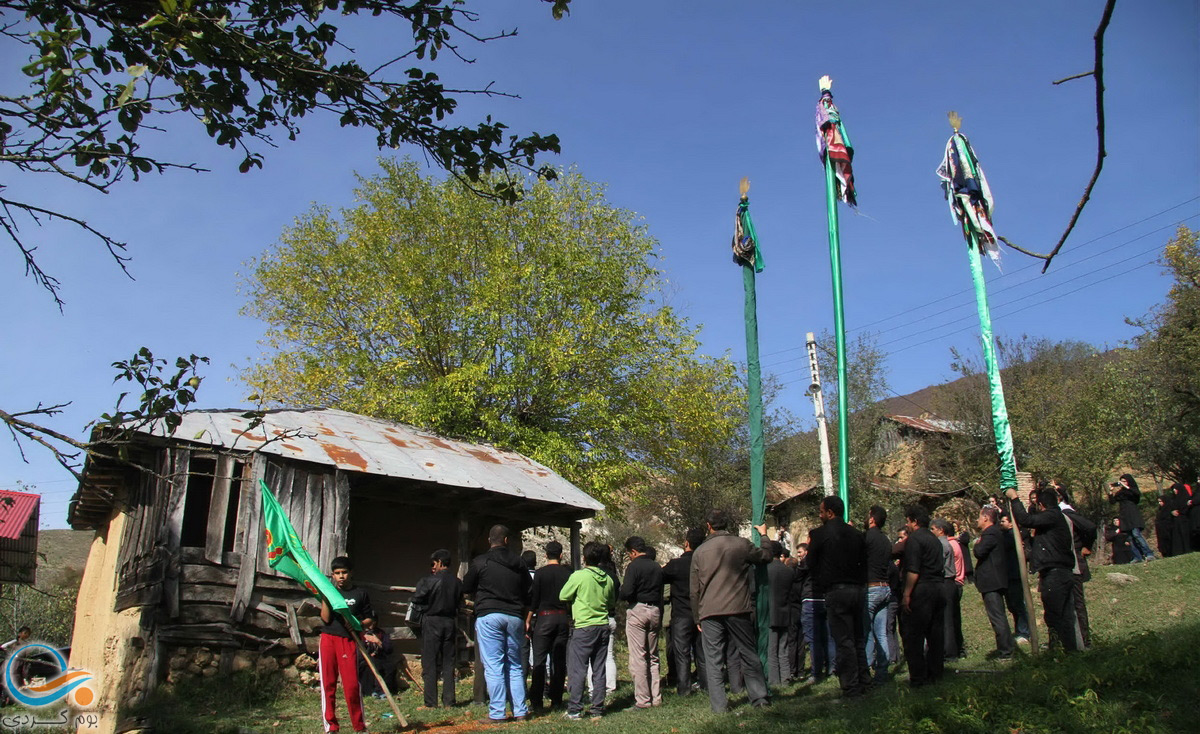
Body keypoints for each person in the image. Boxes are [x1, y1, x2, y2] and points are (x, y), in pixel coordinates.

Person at [689, 509, 772, 713]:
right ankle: (760, 698)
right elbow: (766, 556)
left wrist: (697, 617)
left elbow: (694, 590)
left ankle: (719, 706)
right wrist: (764, 535)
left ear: (708, 526)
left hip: (709, 610)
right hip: (738, 607)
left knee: (714, 660)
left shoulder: (699, 552)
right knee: (748, 653)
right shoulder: (741, 544)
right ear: (728, 524)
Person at [462, 525, 532, 724]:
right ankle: (520, 711)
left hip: (489, 615)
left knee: (494, 665)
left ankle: (497, 712)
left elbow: (466, 586)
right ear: (507, 540)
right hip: (514, 617)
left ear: (489, 541)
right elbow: (529, 591)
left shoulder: (481, 561)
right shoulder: (519, 563)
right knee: (515, 665)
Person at [807, 496, 870, 698]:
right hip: (857, 590)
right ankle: (864, 680)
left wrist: (821, 581)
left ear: (830, 513)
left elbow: (811, 564)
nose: (819, 515)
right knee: (859, 637)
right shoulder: (857, 534)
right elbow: (864, 563)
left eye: (821, 511)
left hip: (836, 591)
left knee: (843, 640)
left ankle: (851, 686)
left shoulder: (819, 534)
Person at [1005, 486, 1079, 652]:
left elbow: (1026, 520)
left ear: (1041, 505)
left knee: (1055, 616)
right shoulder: (1054, 518)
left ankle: (1059, 650)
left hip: (1056, 574)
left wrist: (1014, 498)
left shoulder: (1052, 516)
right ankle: (1068, 651)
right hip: (1060, 573)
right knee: (1064, 616)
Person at [319, 556, 379, 734]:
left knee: (351, 685)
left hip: (348, 641)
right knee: (328, 684)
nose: (341, 576)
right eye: (337, 573)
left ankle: (359, 727)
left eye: (344, 572)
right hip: (329, 638)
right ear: (333, 575)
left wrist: (358, 625)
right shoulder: (330, 592)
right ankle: (331, 727)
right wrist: (325, 597)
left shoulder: (360, 594)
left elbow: (371, 620)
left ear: (351, 573)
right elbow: (326, 618)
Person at [560, 541, 618, 720]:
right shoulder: (608, 578)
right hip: (602, 626)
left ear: (584, 558)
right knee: (599, 668)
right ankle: (597, 708)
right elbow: (610, 603)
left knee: (578, 669)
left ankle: (575, 708)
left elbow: (563, 595)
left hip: (584, 626)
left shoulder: (579, 576)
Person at [900, 505, 946, 688]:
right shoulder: (934, 540)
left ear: (914, 521)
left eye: (908, 521)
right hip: (938, 587)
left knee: (913, 636)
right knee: (935, 634)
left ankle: (918, 677)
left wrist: (906, 594)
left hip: (922, 589)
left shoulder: (914, 540)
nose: (906, 524)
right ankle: (936, 673)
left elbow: (913, 570)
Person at [410, 549, 462, 709]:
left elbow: (416, 598)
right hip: (450, 622)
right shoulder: (457, 582)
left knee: (430, 662)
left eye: (433, 563)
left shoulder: (428, 581)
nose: (432, 567)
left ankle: (431, 702)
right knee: (449, 662)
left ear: (439, 562)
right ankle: (449, 701)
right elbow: (460, 604)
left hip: (432, 621)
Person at [527, 540, 572, 712]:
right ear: (561, 555)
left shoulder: (540, 574)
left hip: (544, 618)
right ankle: (557, 700)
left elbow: (534, 599)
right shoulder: (568, 574)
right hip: (561, 618)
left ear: (545, 555)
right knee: (558, 661)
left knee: (539, 661)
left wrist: (528, 618)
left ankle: (536, 701)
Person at [661, 526, 706, 695]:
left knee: (682, 653)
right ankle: (706, 685)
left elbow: (660, 575)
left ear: (686, 543)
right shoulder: (704, 564)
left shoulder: (676, 564)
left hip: (681, 613)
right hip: (702, 612)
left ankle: (684, 687)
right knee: (702, 652)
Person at [621, 535, 664, 709]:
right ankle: (656, 696)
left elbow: (627, 591)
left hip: (638, 609)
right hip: (655, 610)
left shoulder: (634, 566)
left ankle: (643, 699)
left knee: (638, 656)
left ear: (633, 551)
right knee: (653, 656)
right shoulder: (656, 566)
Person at [1058, 487, 1097, 649]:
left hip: (1074, 564)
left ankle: (1084, 640)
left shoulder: (1066, 513)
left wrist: (1086, 546)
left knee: (1077, 603)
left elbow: (1090, 527)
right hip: (1061, 566)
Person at [973, 506, 1014, 659]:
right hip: (995, 580)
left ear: (986, 518)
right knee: (998, 615)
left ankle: (1005, 650)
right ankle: (1006, 646)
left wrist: (977, 544)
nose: (977, 520)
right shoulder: (996, 533)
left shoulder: (990, 533)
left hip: (992, 581)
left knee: (997, 616)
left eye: (979, 517)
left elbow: (979, 552)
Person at [796, 540, 834, 684]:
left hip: (811, 599)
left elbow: (798, 575)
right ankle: (831, 667)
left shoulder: (809, 561)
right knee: (828, 637)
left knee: (813, 639)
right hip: (825, 599)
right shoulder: (827, 559)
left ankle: (816, 672)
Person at [862, 505, 892, 684]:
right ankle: (882, 673)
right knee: (882, 634)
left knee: (866, 633)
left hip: (871, 588)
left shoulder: (867, 538)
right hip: (885, 587)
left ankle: (865, 670)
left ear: (872, 519)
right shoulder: (886, 540)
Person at [930, 518, 965, 660]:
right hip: (950, 583)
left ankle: (949, 652)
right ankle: (956, 648)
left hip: (946, 582)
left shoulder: (942, 545)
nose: (931, 532)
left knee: (947, 619)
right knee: (952, 617)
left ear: (940, 530)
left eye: (933, 529)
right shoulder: (948, 544)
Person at [998, 512, 1032, 643]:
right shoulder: (1005, 535)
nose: (1001, 523)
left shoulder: (1012, 536)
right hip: (1007, 575)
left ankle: (1024, 631)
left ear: (1011, 523)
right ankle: (1020, 630)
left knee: (1018, 604)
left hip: (1014, 575)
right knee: (1012, 606)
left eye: (1003, 521)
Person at [765, 540, 794, 686]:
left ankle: (774, 680)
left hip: (770, 613)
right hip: (785, 612)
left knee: (772, 649)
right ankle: (786, 677)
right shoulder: (788, 570)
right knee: (783, 648)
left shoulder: (765, 570)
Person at [1108, 475, 1155, 562]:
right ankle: (1137, 556)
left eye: (1124, 481)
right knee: (1129, 537)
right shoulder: (1121, 493)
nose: (1122, 483)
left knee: (1136, 534)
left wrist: (1126, 486)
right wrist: (1111, 492)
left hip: (1133, 515)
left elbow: (1136, 494)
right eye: (1121, 481)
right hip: (1124, 516)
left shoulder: (1132, 491)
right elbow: (1112, 502)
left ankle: (1149, 553)